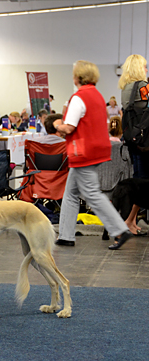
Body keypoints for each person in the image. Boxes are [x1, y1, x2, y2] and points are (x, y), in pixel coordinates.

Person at [52, 60, 132, 250]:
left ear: (78, 77)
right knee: (71, 193)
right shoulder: (97, 96)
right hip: (97, 151)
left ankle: (120, 230)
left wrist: (55, 125)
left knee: (92, 194)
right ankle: (66, 235)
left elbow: (69, 127)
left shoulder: (78, 97)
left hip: (83, 153)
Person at [118, 54, 149, 234]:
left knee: (139, 179)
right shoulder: (144, 87)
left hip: (133, 140)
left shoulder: (125, 89)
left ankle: (131, 221)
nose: (146, 70)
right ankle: (129, 220)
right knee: (143, 181)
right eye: (144, 67)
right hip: (145, 141)